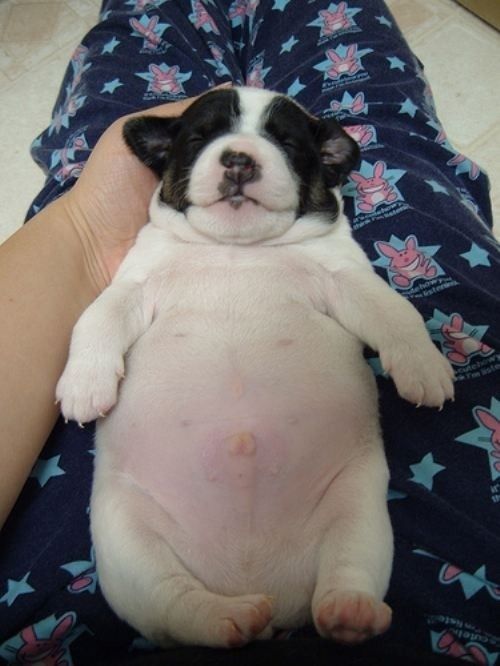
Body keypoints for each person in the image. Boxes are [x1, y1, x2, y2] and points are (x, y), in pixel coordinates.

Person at [0, 1, 498, 664]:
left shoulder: (321, 243)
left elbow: (364, 294)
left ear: (323, 166)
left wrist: (405, 340)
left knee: (354, 495)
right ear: (167, 158)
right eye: (209, 138)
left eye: (284, 146)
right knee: (125, 526)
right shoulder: (159, 242)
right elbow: (120, 304)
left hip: (320, 494)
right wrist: (93, 352)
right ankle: (183, 607)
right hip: (162, 509)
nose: (238, 159)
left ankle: (345, 583)